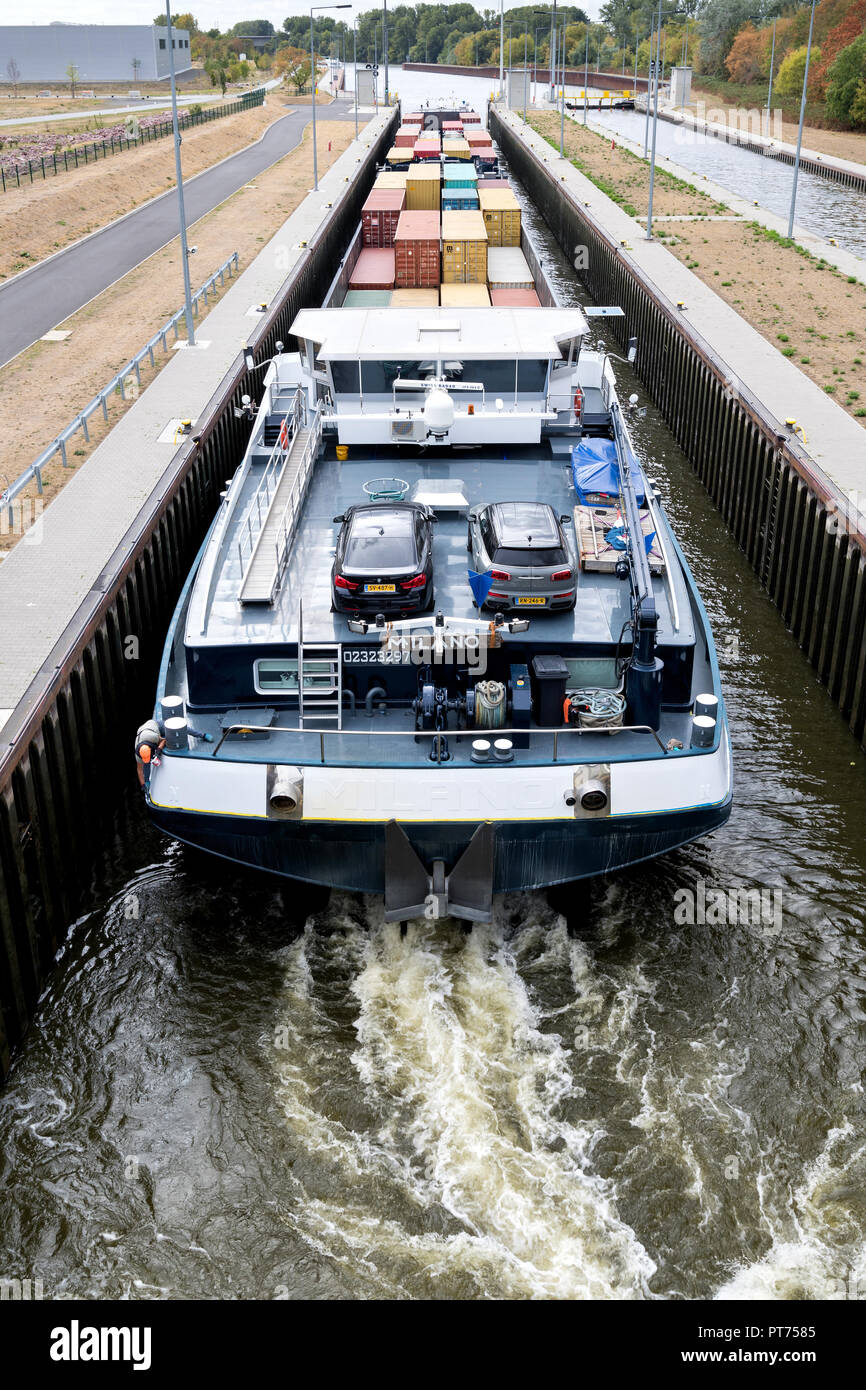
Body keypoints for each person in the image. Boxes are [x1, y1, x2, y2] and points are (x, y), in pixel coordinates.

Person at [134, 717, 165, 787]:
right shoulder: (138, 755)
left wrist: (159, 750)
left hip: (154, 725)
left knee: (172, 733)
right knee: (146, 765)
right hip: (142, 731)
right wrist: (143, 784)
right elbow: (140, 770)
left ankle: (195, 734)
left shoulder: (152, 737)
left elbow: (163, 740)